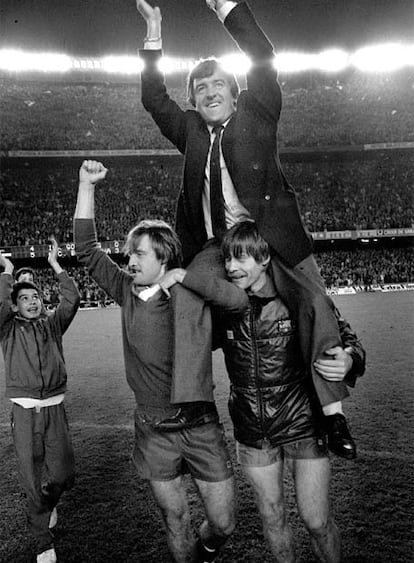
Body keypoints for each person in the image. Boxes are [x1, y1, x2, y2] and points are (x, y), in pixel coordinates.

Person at [137, 0, 358, 459]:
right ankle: (194, 404)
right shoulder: (192, 132)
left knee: (314, 302)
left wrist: (227, 8)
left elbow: (262, 55)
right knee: (186, 295)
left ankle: (333, 415)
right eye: (201, 88)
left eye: (219, 84)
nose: (210, 91)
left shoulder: (259, 116)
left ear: (236, 95)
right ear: (194, 101)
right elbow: (154, 99)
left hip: (271, 237)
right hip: (217, 246)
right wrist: (154, 34)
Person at [157, 221, 366, 562]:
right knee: (272, 517)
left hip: (302, 423)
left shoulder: (298, 297)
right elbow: (188, 339)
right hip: (253, 430)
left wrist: (349, 359)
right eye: (227, 260)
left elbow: (347, 340)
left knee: (316, 520)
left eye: (240, 259)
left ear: (265, 258)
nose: (230, 268)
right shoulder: (223, 307)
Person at [73, 160, 246, 563]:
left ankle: (204, 553)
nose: (129, 260)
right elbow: (85, 249)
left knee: (223, 522)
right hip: (153, 429)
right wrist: (86, 187)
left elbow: (237, 302)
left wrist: (185, 279)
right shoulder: (126, 290)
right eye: (129, 253)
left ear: (164, 256)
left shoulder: (193, 292)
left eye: (139, 253)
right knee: (175, 518)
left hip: (200, 424)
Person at [0, 239, 80, 563]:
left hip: (55, 409)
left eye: (34, 296)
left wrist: (57, 265)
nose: (32, 301)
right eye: (24, 298)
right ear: (15, 305)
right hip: (26, 412)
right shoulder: (7, 329)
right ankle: (42, 543)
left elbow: (71, 299)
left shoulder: (52, 324)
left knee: (63, 475)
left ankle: (50, 502)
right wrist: (7, 273)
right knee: (31, 480)